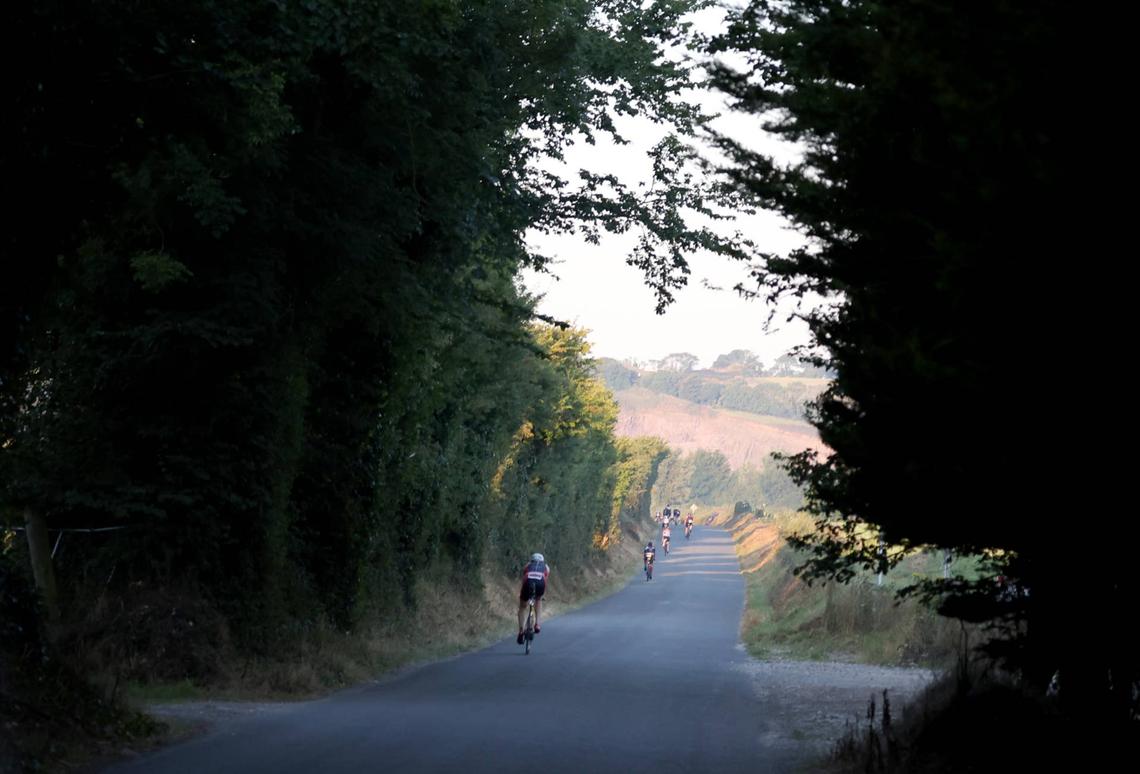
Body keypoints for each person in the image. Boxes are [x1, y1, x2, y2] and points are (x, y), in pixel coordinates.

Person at [518, 552, 549, 644]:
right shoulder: (546, 567)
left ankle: (521, 631)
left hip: (528, 583)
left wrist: (523, 594)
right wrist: (541, 595)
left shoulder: (528, 565)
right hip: (540, 584)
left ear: (532, 560)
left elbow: (524, 578)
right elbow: (545, 579)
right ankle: (537, 624)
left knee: (522, 607)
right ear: (542, 561)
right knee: (538, 600)